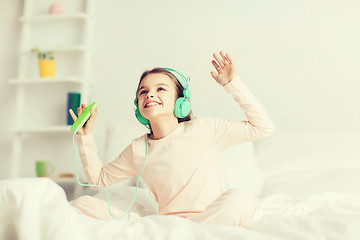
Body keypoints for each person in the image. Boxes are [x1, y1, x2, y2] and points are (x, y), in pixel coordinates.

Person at [69, 51, 275, 228]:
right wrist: (85, 138)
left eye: (160, 89)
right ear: (139, 106)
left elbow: (263, 127)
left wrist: (232, 84)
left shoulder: (204, 128)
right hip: (167, 224)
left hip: (210, 218)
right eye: (143, 91)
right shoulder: (139, 148)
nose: (150, 95)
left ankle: (190, 233)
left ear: (180, 101)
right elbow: (99, 181)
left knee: (241, 199)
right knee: (82, 205)